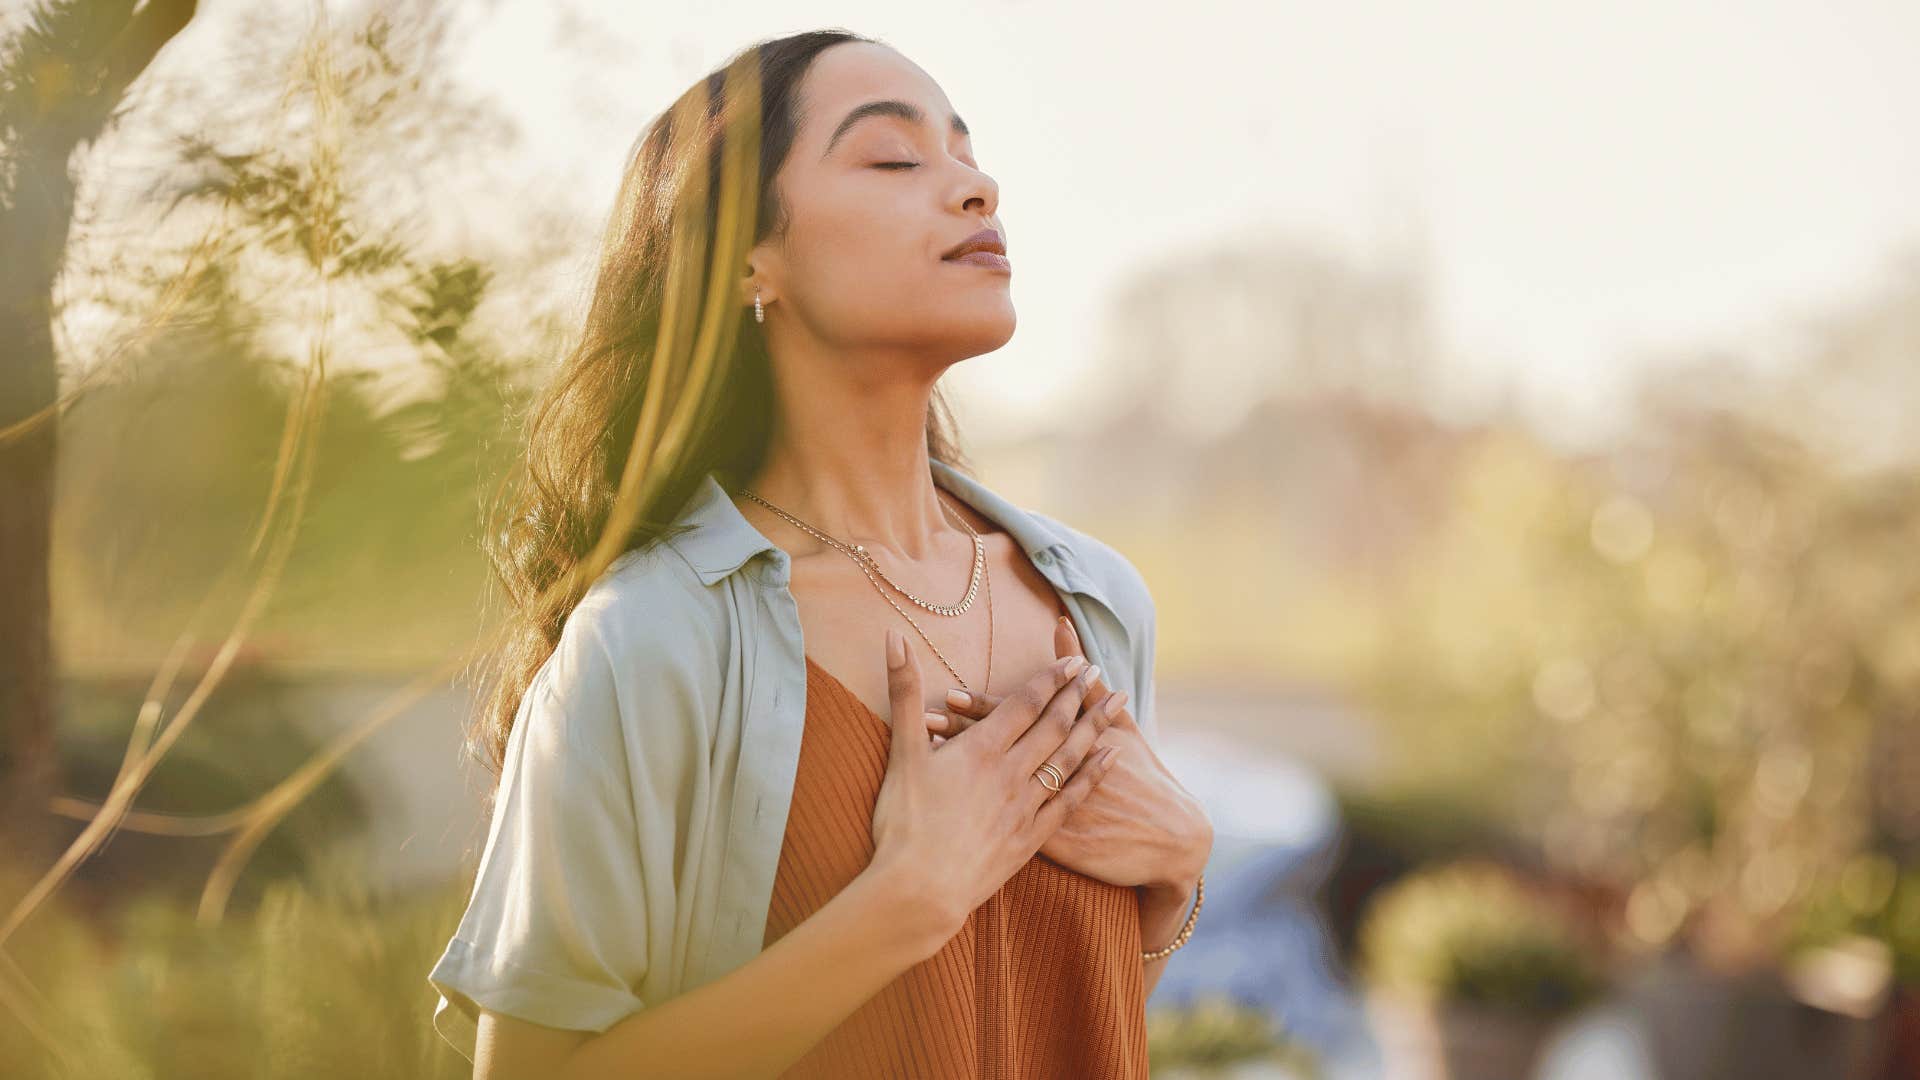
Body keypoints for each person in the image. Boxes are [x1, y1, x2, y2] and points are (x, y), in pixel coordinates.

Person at [426, 27, 1213, 1079]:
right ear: (752, 260)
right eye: (895, 158)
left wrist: (1174, 879)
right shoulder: (652, 640)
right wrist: (904, 904)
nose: (976, 188)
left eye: (969, 155)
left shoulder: (1100, 602)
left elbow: (1053, 1011)